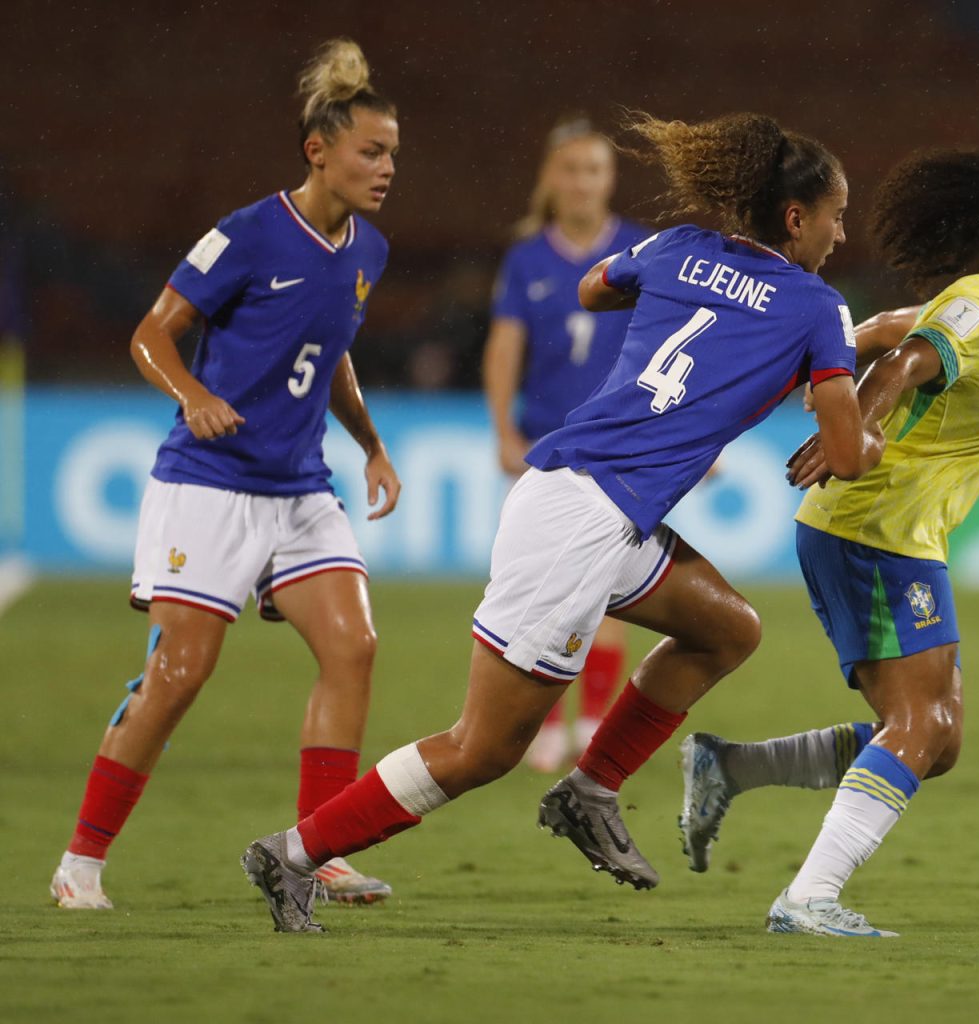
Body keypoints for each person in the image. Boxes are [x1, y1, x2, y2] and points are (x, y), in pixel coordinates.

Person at [240, 111, 882, 932]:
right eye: (836, 214)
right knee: (482, 748)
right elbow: (850, 454)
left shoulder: (674, 245)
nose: (840, 231)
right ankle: (291, 855)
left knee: (727, 628)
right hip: (581, 520)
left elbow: (593, 289)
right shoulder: (817, 307)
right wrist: (880, 390)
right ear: (796, 219)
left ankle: (591, 788)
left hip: (592, 500)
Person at [678, 151, 979, 938]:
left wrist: (828, 371)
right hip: (872, 534)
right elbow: (905, 361)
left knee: (934, 740)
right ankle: (807, 898)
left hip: (902, 539)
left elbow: (879, 330)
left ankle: (730, 766)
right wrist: (857, 426)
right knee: (922, 726)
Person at [48, 39, 403, 910]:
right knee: (179, 675)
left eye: (394, 152)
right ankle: (79, 864)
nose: (388, 167)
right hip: (208, 481)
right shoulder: (247, 234)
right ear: (319, 150)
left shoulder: (371, 250)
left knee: (353, 647)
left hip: (299, 487)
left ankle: (314, 851)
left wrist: (371, 444)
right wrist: (193, 393)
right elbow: (149, 334)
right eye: (372, 150)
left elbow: (334, 358)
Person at [482, 116, 652, 771]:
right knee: (545, 591)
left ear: (609, 181)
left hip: (622, 444)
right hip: (549, 448)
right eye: (571, 170)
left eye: (594, 171)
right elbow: (505, 346)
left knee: (606, 590)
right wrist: (503, 430)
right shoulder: (527, 258)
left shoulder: (639, 252)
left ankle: (593, 721)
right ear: (551, 179)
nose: (581, 183)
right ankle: (549, 720)